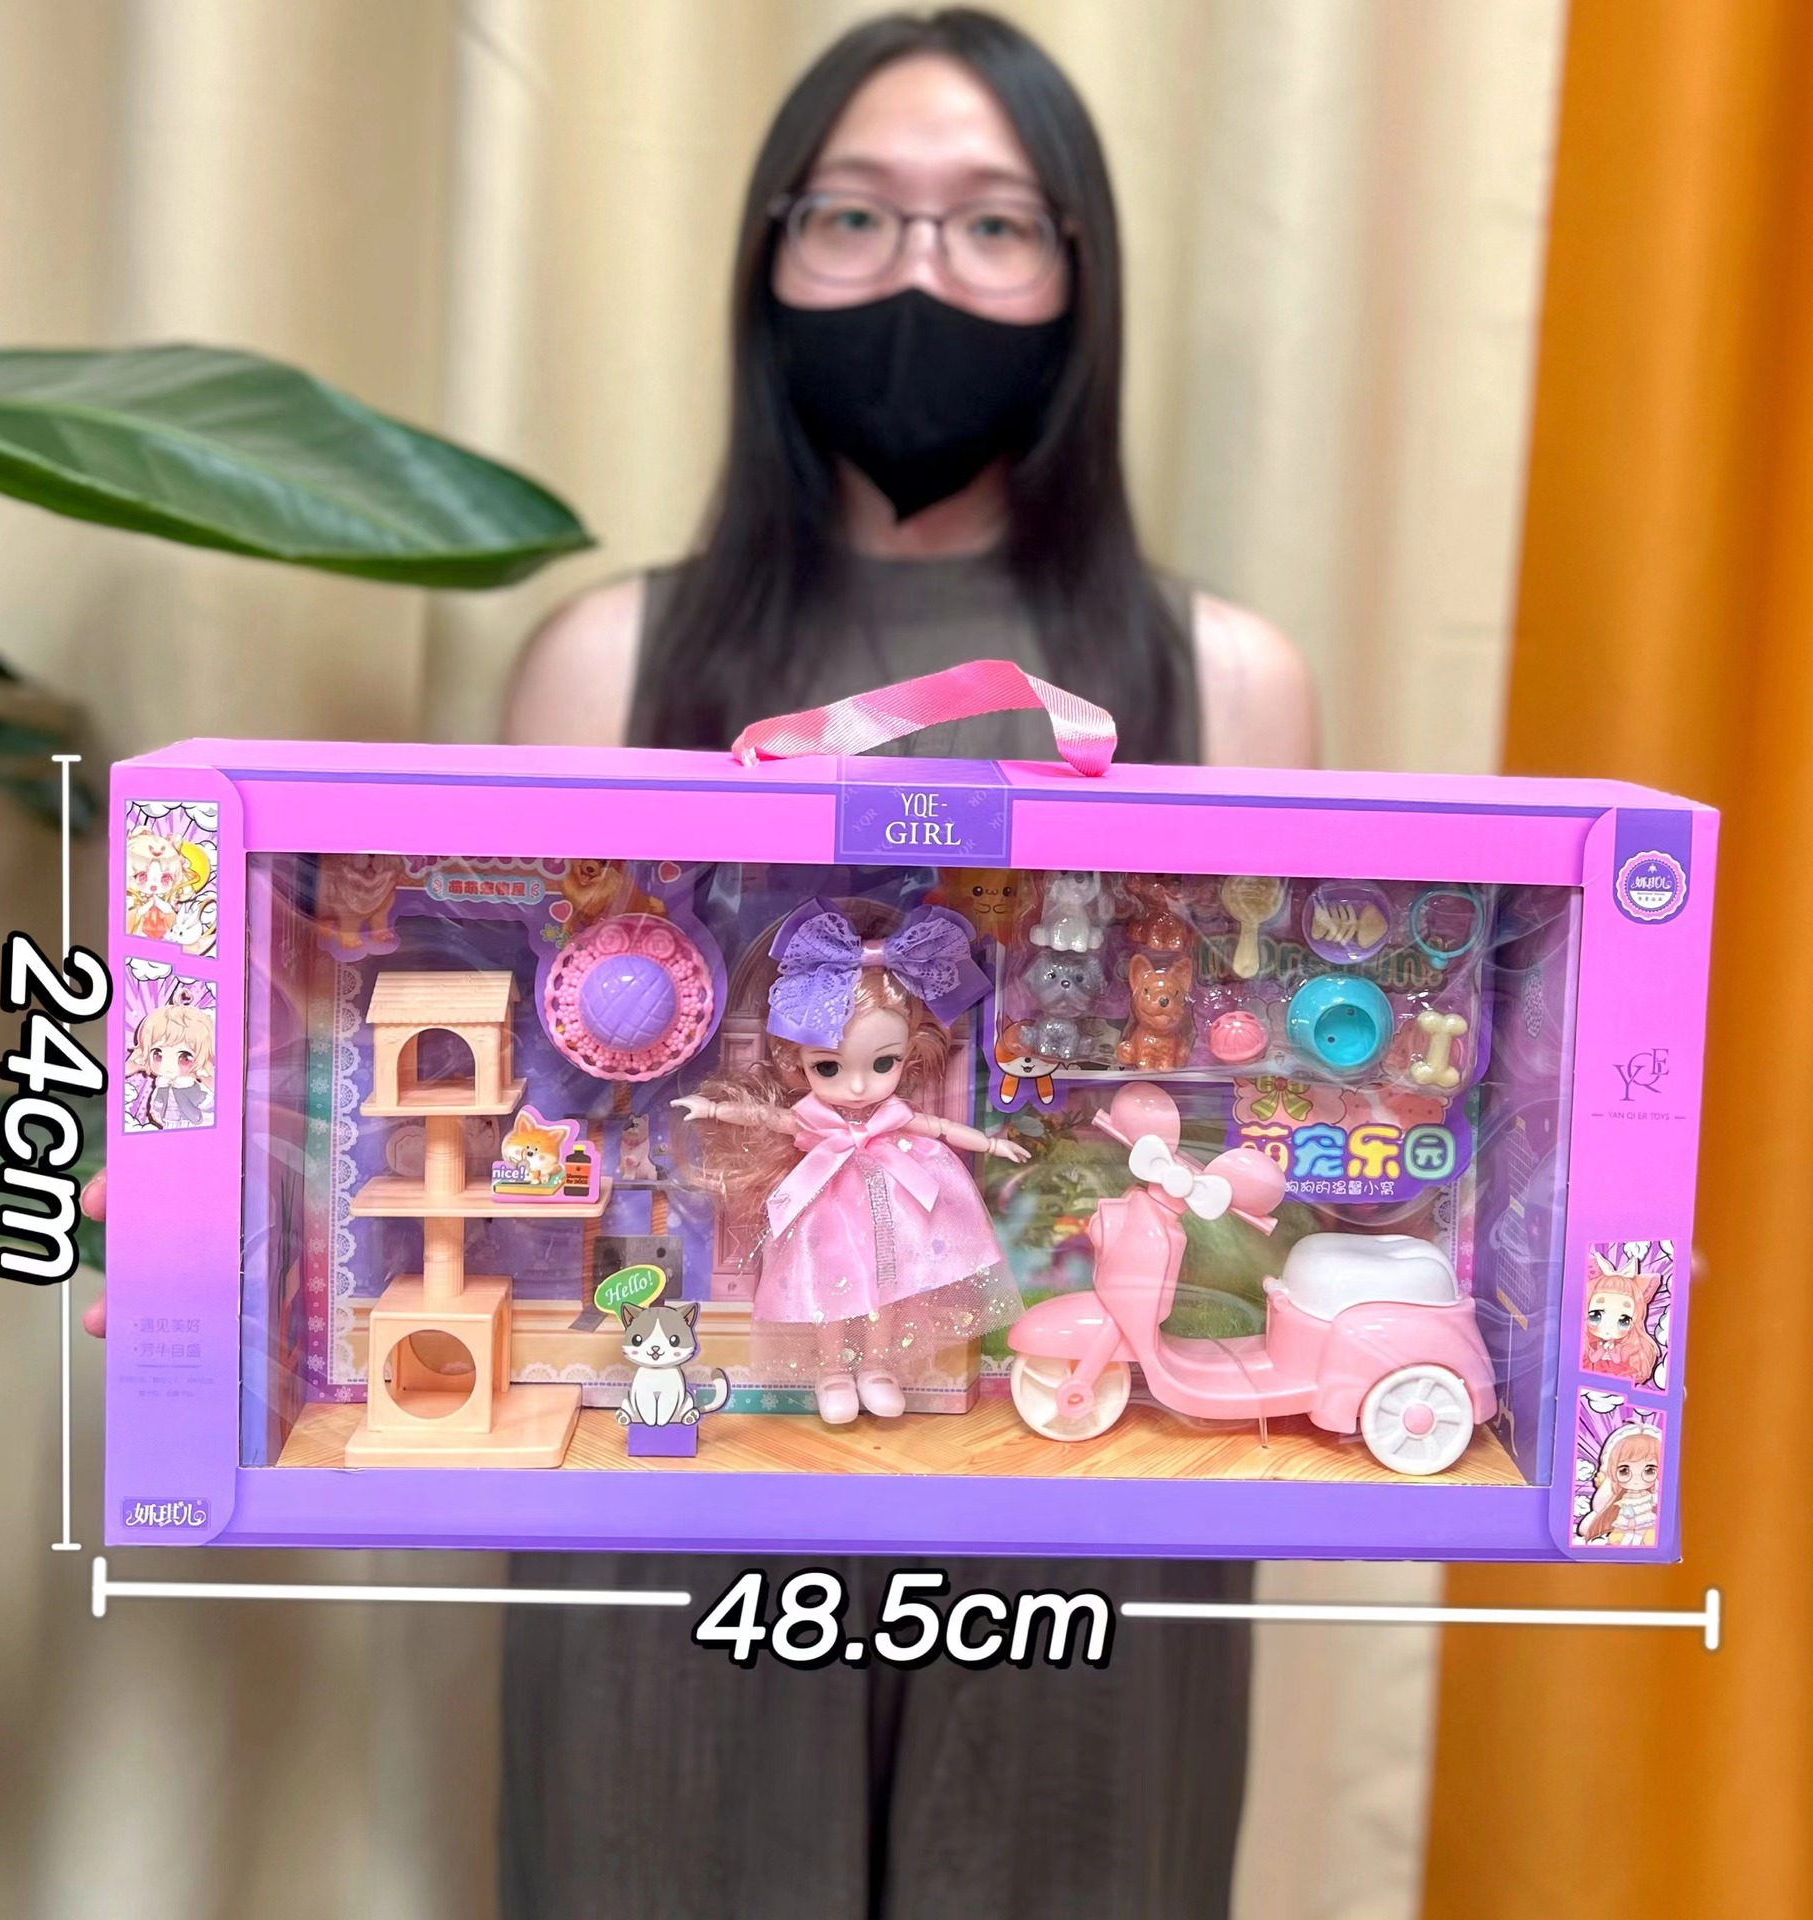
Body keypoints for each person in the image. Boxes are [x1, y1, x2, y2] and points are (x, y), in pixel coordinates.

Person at [499, 13, 1314, 1920]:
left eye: (993, 224)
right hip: (676, 1497)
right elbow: (519, 1107)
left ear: (1078, 278)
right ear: (770, 257)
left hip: (1088, 1510)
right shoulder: (606, 664)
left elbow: (1289, 1091)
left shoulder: (1228, 680)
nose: (917, 276)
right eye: (854, 216)